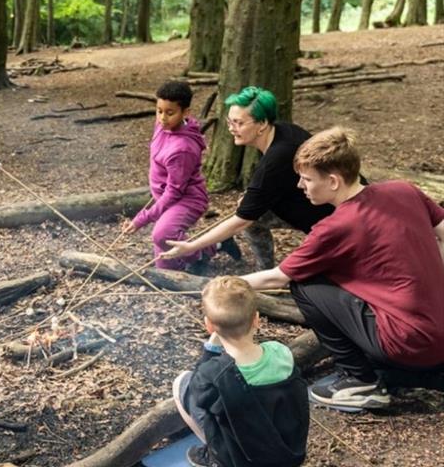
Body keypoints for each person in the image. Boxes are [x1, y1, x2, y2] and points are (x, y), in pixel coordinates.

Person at [241, 127, 444, 409]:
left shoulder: (336, 226)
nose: (300, 185)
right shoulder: (403, 190)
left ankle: (361, 381)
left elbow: (278, 276)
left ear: (334, 181)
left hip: (408, 344)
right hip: (438, 331)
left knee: (304, 285)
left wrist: (222, 285)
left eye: (307, 178)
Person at [161, 86, 335, 270]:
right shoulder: (282, 131)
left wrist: (192, 246)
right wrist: (251, 201)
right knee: (252, 214)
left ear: (262, 124)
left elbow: (241, 220)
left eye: (239, 123)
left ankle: (269, 277)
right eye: (230, 121)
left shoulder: (277, 157)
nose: (231, 128)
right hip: (310, 202)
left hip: (331, 217)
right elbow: (274, 184)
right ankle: (265, 269)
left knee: (250, 218)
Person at [173, 276, 308, 467]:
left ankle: (215, 456)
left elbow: (198, 391)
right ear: (256, 320)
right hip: (286, 451)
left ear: (209, 325)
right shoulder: (281, 352)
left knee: (182, 383)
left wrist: (210, 351)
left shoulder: (212, 374)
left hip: (239, 459)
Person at [121, 81, 235, 273]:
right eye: (159, 111)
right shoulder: (162, 125)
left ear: (185, 113)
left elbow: (174, 192)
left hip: (186, 200)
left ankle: (208, 250)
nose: (162, 118)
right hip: (166, 198)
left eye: (170, 112)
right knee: (166, 268)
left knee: (162, 236)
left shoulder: (182, 149)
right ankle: (207, 248)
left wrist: (141, 219)